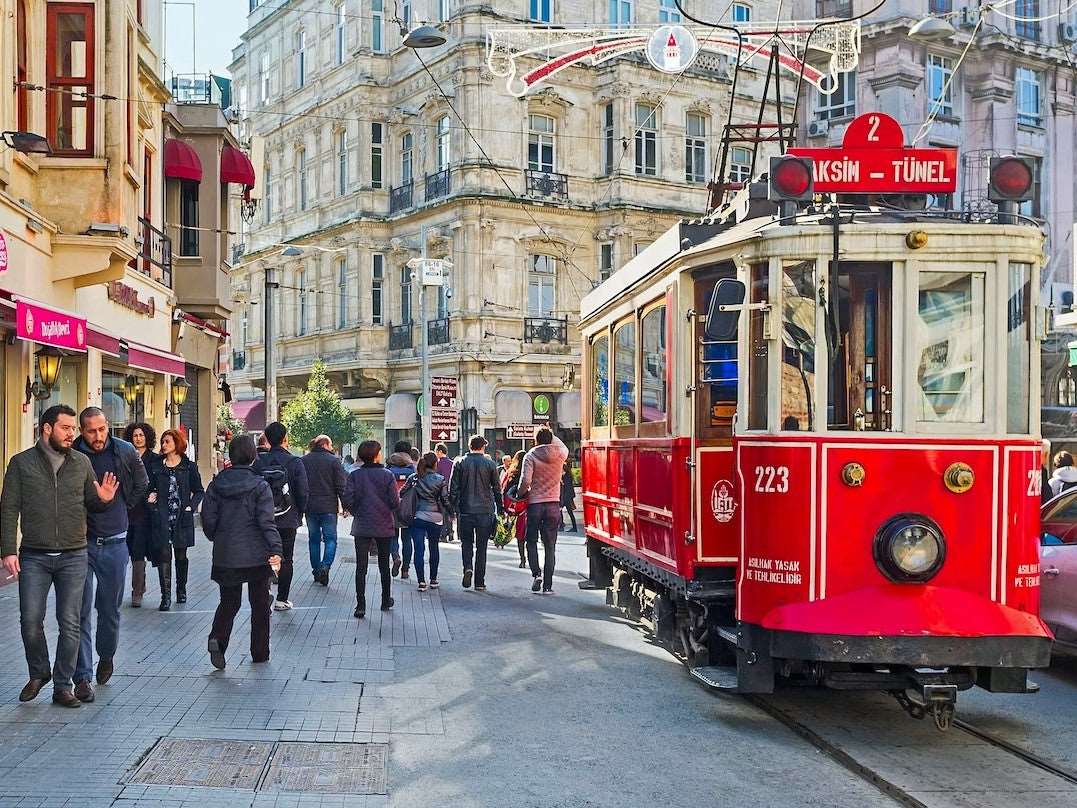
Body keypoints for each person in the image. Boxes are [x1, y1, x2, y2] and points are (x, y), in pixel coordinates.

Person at [1, 405, 119, 708]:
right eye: (66, 428)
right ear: (47, 429)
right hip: (34, 556)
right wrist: (8, 551)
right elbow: (8, 509)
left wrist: (104, 500)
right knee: (30, 620)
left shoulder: (81, 463)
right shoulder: (20, 464)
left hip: (73, 554)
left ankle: (63, 686)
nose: (72, 434)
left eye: (72, 429)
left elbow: (93, 502)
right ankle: (40, 672)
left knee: (70, 623)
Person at [71, 407, 149, 703]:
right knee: (78, 611)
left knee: (109, 610)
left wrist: (122, 506)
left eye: (102, 428)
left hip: (116, 541)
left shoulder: (125, 450)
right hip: (81, 543)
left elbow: (141, 483)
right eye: (91, 430)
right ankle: (82, 676)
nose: (98, 435)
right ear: (82, 430)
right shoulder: (74, 453)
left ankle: (106, 655)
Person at [201, 435, 283, 669]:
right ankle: (260, 652)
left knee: (229, 602)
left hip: (227, 552)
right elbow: (266, 522)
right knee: (259, 604)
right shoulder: (260, 485)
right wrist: (276, 549)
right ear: (253, 456)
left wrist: (217, 536)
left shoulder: (216, 485)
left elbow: (208, 519)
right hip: (256, 554)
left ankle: (218, 638)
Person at [253, 422, 309, 611]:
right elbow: (302, 492)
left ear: (267, 439)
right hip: (288, 517)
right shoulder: (295, 462)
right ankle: (282, 599)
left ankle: (265, 592)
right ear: (285, 438)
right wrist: (300, 512)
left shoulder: (259, 463)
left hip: (264, 518)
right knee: (287, 558)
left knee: (264, 556)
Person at [146, 429, 204, 611]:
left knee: (181, 555)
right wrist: (150, 499)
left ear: (177, 444)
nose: (163, 445)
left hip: (181, 517)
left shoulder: (189, 466)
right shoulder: (156, 466)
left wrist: (190, 507)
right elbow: (148, 488)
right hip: (162, 516)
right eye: (162, 442)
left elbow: (199, 490)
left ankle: (181, 590)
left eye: (167, 442)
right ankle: (166, 597)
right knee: (164, 555)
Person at [343, 440, 400, 617]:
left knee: (361, 567)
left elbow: (347, 499)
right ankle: (385, 599)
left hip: (362, 525)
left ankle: (361, 605)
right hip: (384, 525)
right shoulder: (387, 475)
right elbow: (394, 502)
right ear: (376, 455)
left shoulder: (355, 475)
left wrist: (357, 511)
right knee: (384, 565)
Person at [518, 428, 569, 594]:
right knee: (550, 546)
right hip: (553, 505)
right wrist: (551, 433)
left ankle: (536, 573)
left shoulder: (530, 455)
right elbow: (562, 445)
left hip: (535, 504)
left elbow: (525, 480)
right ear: (552, 438)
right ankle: (548, 585)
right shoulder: (561, 454)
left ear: (536, 439)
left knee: (530, 540)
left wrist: (520, 493)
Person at [449, 435, 502, 590]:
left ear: (469, 445)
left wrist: (452, 508)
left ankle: (467, 567)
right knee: (482, 547)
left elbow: (453, 488)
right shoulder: (490, 464)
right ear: (483, 447)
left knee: (466, 543)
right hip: (485, 511)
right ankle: (480, 582)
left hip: (465, 510)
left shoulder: (459, 462)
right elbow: (497, 489)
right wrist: (501, 508)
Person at [300, 434, 347, 587]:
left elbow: (300, 485)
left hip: (310, 507)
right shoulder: (334, 461)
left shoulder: (304, 461)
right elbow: (341, 486)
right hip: (328, 507)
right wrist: (345, 505)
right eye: (331, 445)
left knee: (313, 540)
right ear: (326, 444)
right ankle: (325, 566)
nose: (332, 448)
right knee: (330, 539)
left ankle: (316, 570)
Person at [406, 452, 453, 591]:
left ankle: (421, 581)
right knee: (434, 547)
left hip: (418, 516)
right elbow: (445, 499)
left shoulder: (414, 478)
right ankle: (433, 579)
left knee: (419, 549)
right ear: (434, 464)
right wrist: (451, 513)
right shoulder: (440, 479)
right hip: (435, 517)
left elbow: (402, 493)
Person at [122, 422, 158, 607]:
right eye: (135, 435)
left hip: (145, 512)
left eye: (141, 435)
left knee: (138, 551)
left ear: (147, 437)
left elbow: (159, 482)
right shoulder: (125, 457)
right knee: (122, 551)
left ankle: (137, 591)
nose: (138, 438)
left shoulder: (155, 459)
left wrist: (155, 495)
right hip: (126, 509)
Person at [386, 441, 417, 578]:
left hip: (391, 507)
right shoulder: (413, 469)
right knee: (407, 539)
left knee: (393, 536)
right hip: (409, 508)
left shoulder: (388, 468)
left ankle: (395, 557)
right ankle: (405, 570)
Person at [502, 450, 529, 568]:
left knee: (520, 536)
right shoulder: (530, 471)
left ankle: (523, 559)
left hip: (518, 509)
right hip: (530, 507)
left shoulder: (511, 473)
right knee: (531, 537)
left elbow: (503, 490)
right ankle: (533, 557)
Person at [435, 443, 455, 542]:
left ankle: (443, 535)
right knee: (449, 512)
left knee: (442, 514)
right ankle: (451, 532)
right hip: (450, 491)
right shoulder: (452, 463)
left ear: (440, 451)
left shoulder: (437, 464)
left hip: (440, 492)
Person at [559, 461, 578, 533]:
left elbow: (566, 487)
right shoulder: (565, 475)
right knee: (561, 510)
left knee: (566, 511)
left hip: (567, 497)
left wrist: (562, 482)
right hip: (566, 496)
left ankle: (572, 527)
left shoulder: (567, 476)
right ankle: (562, 525)